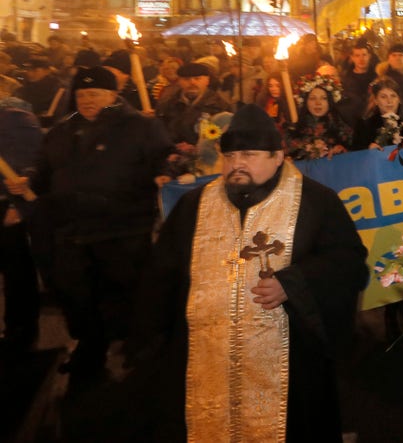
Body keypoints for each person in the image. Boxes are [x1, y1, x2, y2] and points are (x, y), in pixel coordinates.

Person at [130, 105, 367, 441]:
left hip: (289, 366)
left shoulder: (316, 202)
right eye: (230, 155)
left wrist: (293, 284)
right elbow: (160, 277)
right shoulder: (194, 206)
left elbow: (348, 262)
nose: (236, 164)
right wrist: (149, 346)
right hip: (203, 359)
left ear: (277, 156)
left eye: (249, 155)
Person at [4, 67, 172, 385]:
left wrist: (164, 173)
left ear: (112, 95)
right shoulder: (62, 131)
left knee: (127, 290)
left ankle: (136, 349)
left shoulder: (141, 126)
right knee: (76, 293)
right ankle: (89, 347)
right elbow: (43, 167)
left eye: (95, 94)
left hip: (124, 227)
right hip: (72, 229)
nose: (88, 100)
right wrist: (29, 179)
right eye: (82, 95)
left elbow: (165, 158)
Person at [0, 96, 43, 353]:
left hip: (5, 205)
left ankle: (21, 330)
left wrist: (17, 205)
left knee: (15, 271)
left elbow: (29, 164)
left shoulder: (15, 118)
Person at [283, 74, 352, 160]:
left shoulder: (341, 128)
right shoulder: (294, 131)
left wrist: (341, 150)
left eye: (323, 98)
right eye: (312, 98)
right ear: (305, 102)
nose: (318, 103)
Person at [351, 78, 403, 156]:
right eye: (383, 97)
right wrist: (367, 150)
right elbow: (355, 153)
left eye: (393, 96)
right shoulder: (364, 125)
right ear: (375, 100)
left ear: (399, 99)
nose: (389, 101)